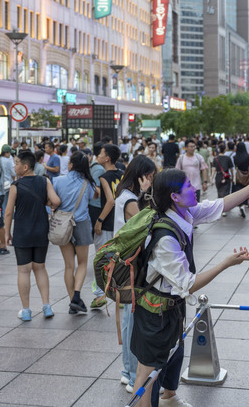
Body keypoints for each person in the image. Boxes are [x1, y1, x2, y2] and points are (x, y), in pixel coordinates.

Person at [131, 168, 249, 407]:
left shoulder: (184, 213)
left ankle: (169, 397)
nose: (194, 188)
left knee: (173, 355)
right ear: (174, 197)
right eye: (188, 185)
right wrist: (225, 264)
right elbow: (188, 283)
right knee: (147, 373)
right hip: (155, 312)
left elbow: (220, 204)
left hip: (171, 306)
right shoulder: (165, 237)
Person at [113, 155, 157, 393]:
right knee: (131, 320)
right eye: (149, 176)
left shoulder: (125, 195)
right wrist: (147, 194)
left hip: (126, 263)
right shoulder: (131, 200)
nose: (151, 179)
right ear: (141, 175)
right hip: (130, 266)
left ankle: (126, 371)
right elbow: (147, 221)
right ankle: (132, 375)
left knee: (130, 318)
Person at [3, 151, 60, 321]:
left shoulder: (16, 186)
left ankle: (26, 310)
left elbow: (8, 212)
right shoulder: (45, 181)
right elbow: (56, 201)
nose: (15, 166)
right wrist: (46, 202)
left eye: (16, 163)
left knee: (24, 270)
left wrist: (7, 232)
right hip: (41, 230)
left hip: (22, 231)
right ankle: (46, 306)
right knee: (40, 268)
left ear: (25, 167)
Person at [52, 151, 98, 314]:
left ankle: (73, 300)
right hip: (82, 224)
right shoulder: (88, 182)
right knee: (83, 263)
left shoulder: (57, 180)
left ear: (70, 164)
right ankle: (76, 296)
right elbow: (94, 197)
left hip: (63, 224)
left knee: (68, 266)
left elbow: (52, 201)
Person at [91, 144, 123, 309]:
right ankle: (122, 294)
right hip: (120, 223)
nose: (98, 155)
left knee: (100, 260)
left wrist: (100, 220)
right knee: (118, 259)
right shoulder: (122, 174)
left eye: (101, 153)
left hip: (107, 223)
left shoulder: (104, 176)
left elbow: (110, 200)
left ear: (107, 158)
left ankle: (99, 295)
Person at [0, 145, 15, 256]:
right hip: (5, 187)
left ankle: (0, 243)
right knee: (3, 210)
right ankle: (0, 242)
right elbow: (13, 174)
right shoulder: (7, 160)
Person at [232, 141, 249, 219]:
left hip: (238, 176)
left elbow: (235, 166)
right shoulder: (248, 156)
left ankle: (240, 205)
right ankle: (244, 205)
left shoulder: (235, 157)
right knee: (245, 191)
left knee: (238, 190)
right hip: (246, 176)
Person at [212, 143, 234, 215]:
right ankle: (224, 208)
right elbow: (231, 169)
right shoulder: (228, 158)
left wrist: (211, 178)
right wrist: (232, 177)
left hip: (218, 176)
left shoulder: (215, 158)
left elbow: (213, 169)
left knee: (219, 192)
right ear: (225, 149)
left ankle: (219, 208)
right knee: (226, 192)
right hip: (226, 176)